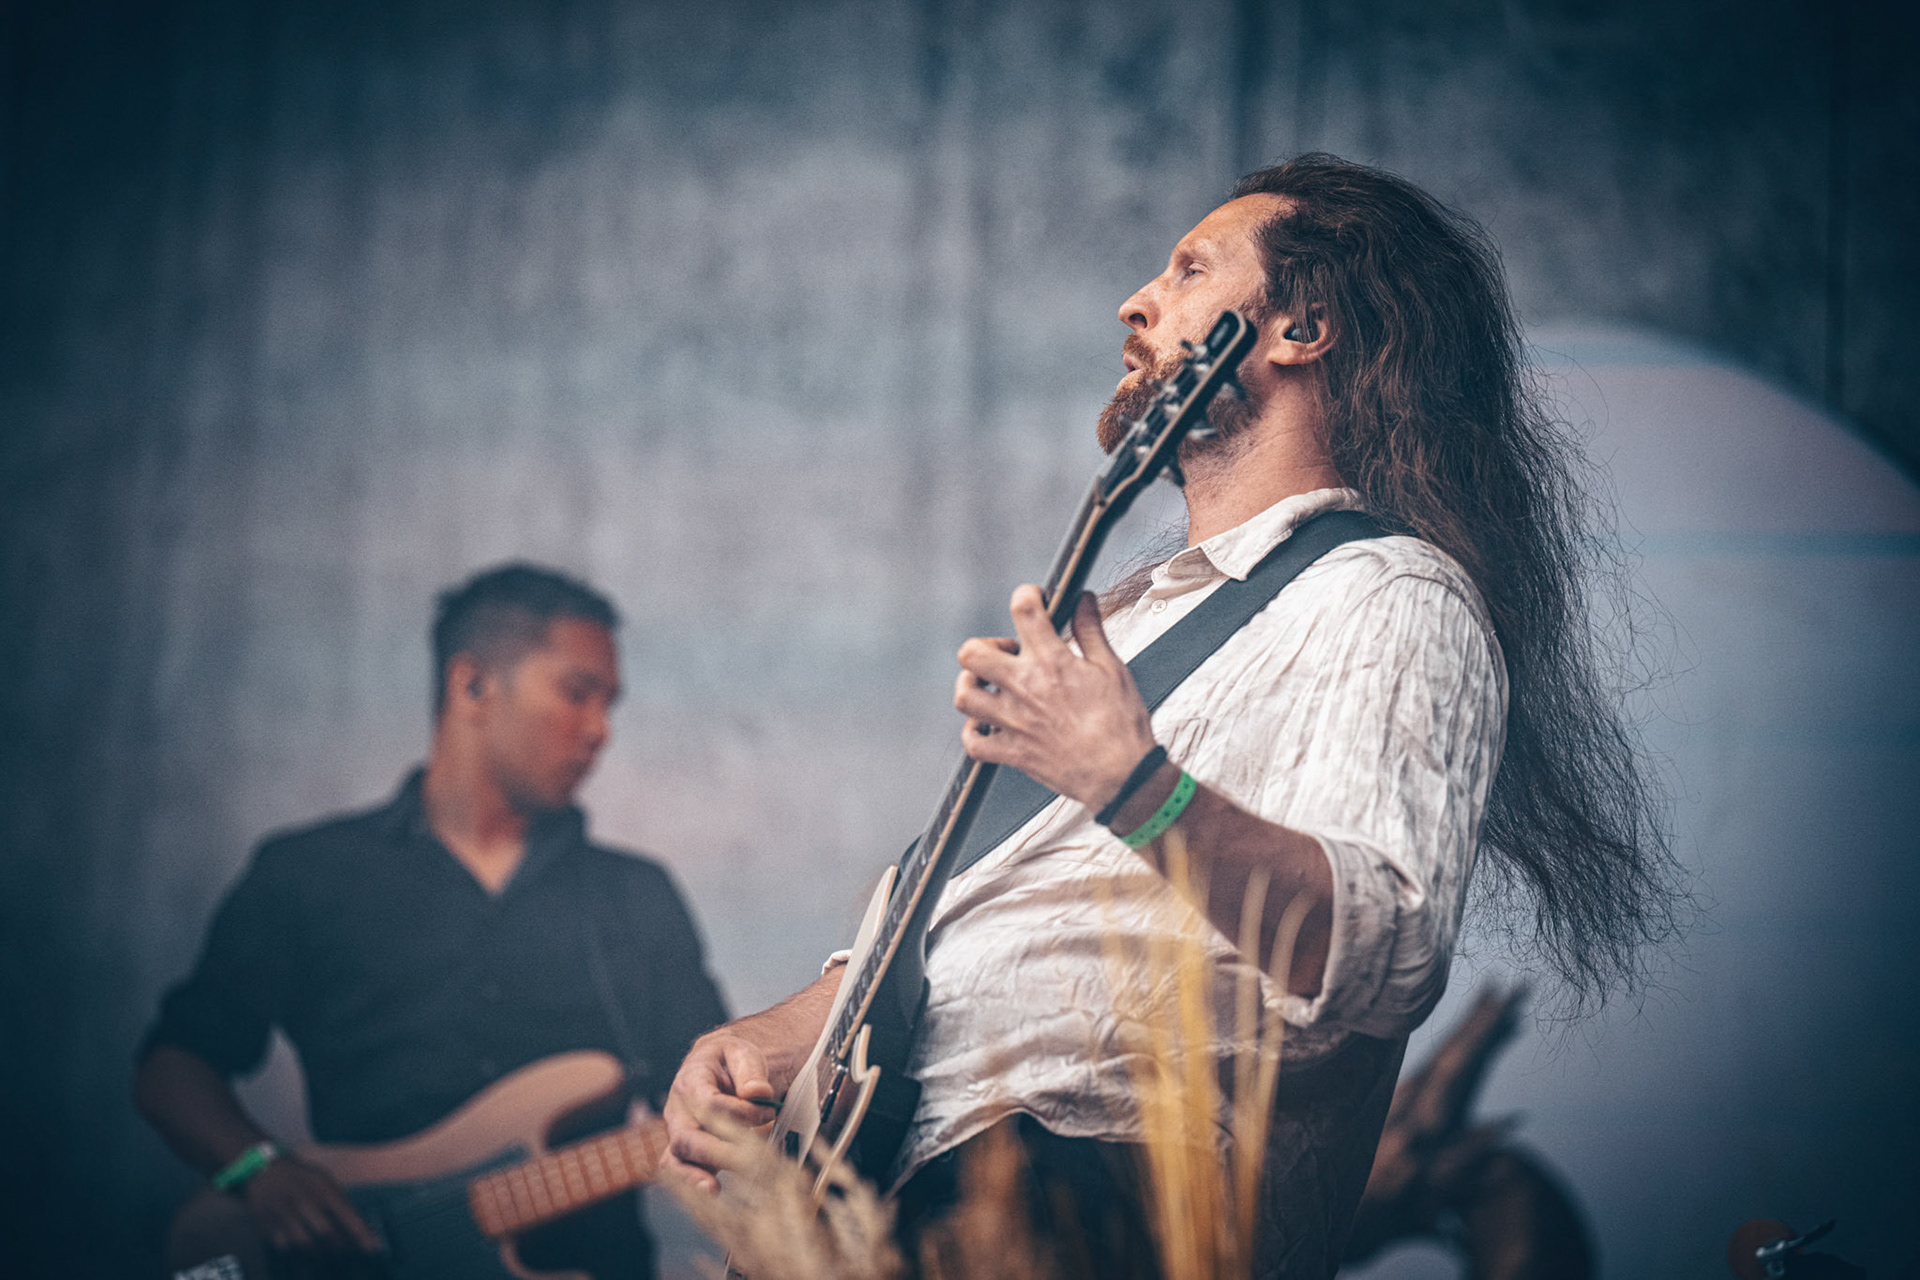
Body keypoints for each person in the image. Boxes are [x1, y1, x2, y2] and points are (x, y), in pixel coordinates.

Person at [662, 154, 1682, 1278]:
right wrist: (774, 1034)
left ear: (1300, 326)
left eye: (1190, 268)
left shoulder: (1390, 594)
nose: (1136, 301)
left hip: (1084, 1203)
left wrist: (1133, 787)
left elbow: (1384, 949)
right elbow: (955, 932)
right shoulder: (1132, 621)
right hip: (896, 1205)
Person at [135, 563, 728, 1280]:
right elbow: (174, 1065)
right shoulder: (308, 873)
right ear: (471, 685)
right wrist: (260, 1169)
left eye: (611, 704)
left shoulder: (636, 895)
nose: (600, 731)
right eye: (578, 693)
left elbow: (710, 1100)